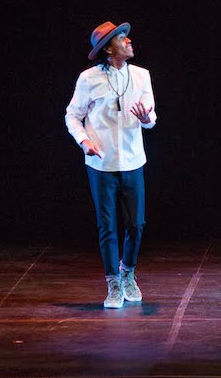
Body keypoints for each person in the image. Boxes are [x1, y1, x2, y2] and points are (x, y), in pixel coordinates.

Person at [65, 21, 157, 308]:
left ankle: (127, 272)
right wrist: (83, 141)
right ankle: (113, 284)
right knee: (107, 225)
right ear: (108, 48)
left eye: (127, 37)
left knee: (137, 224)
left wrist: (146, 120)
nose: (128, 41)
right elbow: (72, 115)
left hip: (132, 160)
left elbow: (152, 118)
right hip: (101, 164)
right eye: (122, 38)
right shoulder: (88, 78)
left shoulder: (142, 76)